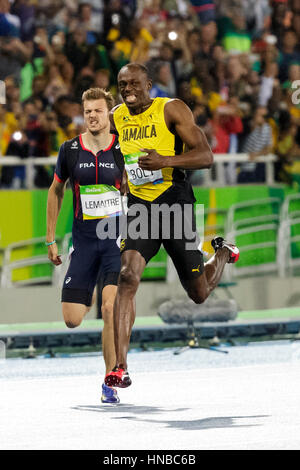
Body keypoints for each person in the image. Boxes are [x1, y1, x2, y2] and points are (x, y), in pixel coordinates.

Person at [104, 63, 239, 388]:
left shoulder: (171, 109)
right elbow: (116, 153)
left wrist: (165, 161)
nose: (127, 89)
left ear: (150, 84)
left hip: (174, 202)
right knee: (127, 276)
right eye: (122, 84)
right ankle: (120, 367)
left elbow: (206, 156)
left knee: (198, 293)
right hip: (140, 207)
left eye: (134, 83)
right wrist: (120, 174)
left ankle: (222, 253)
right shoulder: (116, 117)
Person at [46, 87, 125, 404]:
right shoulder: (69, 150)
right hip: (84, 245)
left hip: (114, 245)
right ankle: (90, 288)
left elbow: (138, 191)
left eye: (98, 111)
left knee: (110, 309)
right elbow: (55, 191)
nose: (92, 116)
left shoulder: (122, 150)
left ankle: (110, 381)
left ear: (109, 114)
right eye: (88, 111)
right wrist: (50, 237)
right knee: (72, 319)